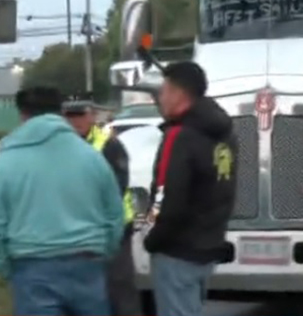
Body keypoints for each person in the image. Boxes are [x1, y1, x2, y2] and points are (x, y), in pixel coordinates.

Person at [0, 86, 123, 316]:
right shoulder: (91, 157)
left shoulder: (5, 161)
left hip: (31, 266)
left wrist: (7, 268)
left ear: (22, 115)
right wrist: (103, 252)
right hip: (87, 263)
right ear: (61, 113)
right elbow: (114, 214)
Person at [145, 62, 236, 316]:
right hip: (207, 245)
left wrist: (151, 236)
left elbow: (164, 195)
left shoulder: (178, 136)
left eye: (163, 91)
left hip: (177, 251)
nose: (160, 98)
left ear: (177, 93)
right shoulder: (224, 134)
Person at [63, 97, 142, 316]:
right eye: (70, 116)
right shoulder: (63, 146)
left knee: (119, 287)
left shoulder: (109, 144)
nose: (76, 121)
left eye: (80, 115)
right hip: (81, 230)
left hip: (114, 227)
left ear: (92, 116)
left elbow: (117, 187)